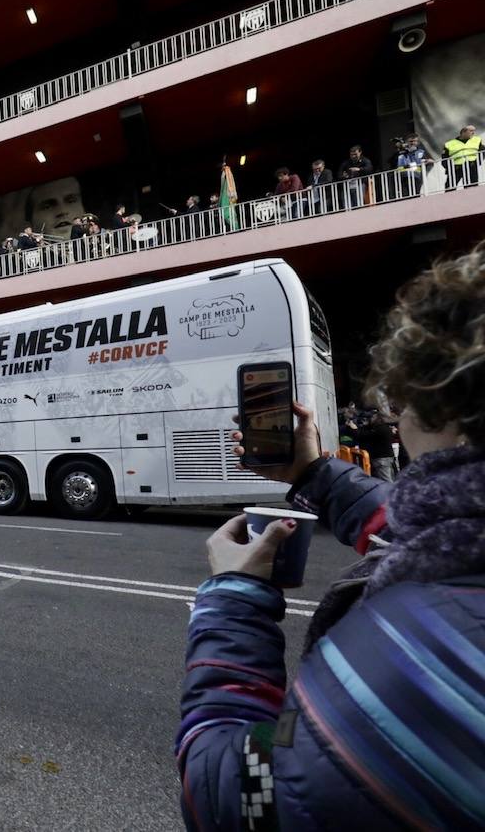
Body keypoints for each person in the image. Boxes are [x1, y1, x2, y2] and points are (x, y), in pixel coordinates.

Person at [176, 248, 485, 830]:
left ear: (441, 403)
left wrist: (232, 599)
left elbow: (220, 791)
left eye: (401, 402)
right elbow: (416, 533)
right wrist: (312, 473)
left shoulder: (408, 665)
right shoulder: (459, 545)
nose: (395, 419)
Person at [443, 124, 480, 189]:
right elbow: (444, 158)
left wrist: (477, 162)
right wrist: (449, 168)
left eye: (474, 131)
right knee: (450, 188)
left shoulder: (477, 140)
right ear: (463, 132)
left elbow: (482, 152)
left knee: (472, 188)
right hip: (456, 167)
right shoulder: (449, 143)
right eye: (471, 131)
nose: (473, 132)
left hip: (471, 166)